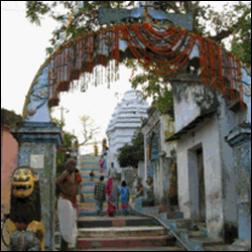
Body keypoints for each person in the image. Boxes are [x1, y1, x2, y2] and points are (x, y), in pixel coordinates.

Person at [56, 159, 81, 251]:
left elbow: (76, 187)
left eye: (74, 165)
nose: (73, 166)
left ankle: (67, 247)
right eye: (71, 164)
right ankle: (64, 248)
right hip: (65, 200)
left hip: (71, 201)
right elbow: (57, 182)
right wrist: (63, 190)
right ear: (68, 165)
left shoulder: (74, 174)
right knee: (65, 227)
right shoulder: (65, 173)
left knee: (70, 226)